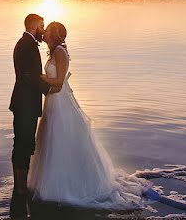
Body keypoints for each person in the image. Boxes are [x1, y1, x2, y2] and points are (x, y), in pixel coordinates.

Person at [27, 21, 147, 209]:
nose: (45, 33)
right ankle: (49, 184)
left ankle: (67, 188)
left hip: (60, 103)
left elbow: (58, 82)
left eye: (48, 30)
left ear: (56, 35)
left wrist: (38, 78)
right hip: (52, 102)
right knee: (50, 143)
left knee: (59, 141)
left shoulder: (60, 51)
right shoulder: (53, 51)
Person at [8, 13, 52, 218]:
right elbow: (28, 75)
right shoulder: (27, 45)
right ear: (34, 25)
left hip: (25, 103)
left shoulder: (27, 43)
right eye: (42, 26)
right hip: (24, 104)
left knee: (24, 144)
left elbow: (30, 74)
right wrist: (49, 90)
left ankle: (20, 188)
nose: (43, 30)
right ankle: (20, 189)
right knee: (23, 144)